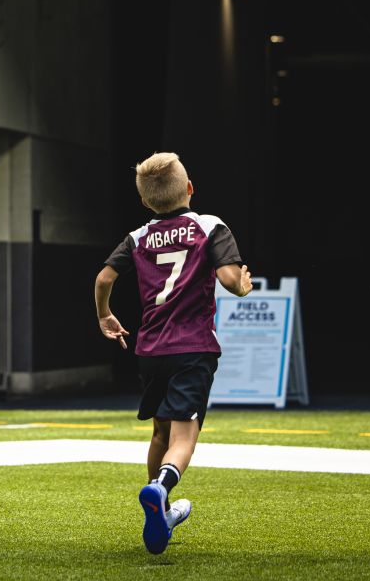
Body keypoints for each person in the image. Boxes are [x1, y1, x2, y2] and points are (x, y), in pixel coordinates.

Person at [93, 152, 253, 554]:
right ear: (190, 188)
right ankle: (160, 489)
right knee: (185, 438)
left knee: (160, 432)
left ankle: (160, 513)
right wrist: (244, 284)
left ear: (146, 202)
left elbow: (104, 277)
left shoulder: (139, 236)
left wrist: (105, 315)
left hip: (150, 349)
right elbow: (230, 280)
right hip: (193, 347)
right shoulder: (209, 226)